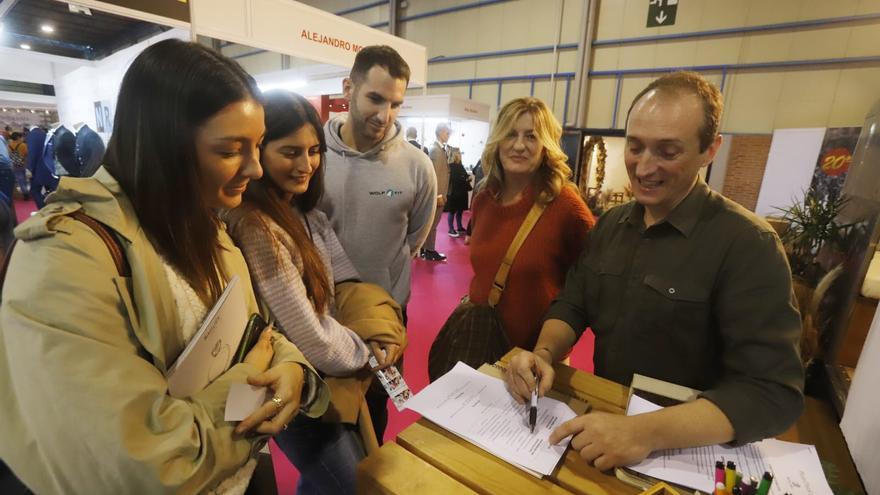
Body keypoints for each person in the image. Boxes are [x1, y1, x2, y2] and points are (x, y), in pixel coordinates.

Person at [0, 39, 329, 494]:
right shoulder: (61, 259)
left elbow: (263, 332)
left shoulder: (206, 226)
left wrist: (292, 370)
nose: (256, 169)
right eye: (231, 149)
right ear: (163, 145)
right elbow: (139, 461)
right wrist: (245, 389)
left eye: (256, 146)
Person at [504, 71, 804, 471]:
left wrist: (645, 432)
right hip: (605, 428)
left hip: (685, 450)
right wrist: (543, 354)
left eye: (667, 151)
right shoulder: (611, 225)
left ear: (709, 151)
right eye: (636, 147)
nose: (644, 168)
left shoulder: (749, 245)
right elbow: (573, 304)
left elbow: (773, 394)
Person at [225, 90, 406, 494]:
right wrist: (367, 353)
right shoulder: (257, 228)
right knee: (352, 483)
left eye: (313, 150)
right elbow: (310, 338)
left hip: (326, 375)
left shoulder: (309, 215)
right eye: (289, 152)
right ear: (259, 152)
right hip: (293, 387)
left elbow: (346, 282)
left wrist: (375, 329)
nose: (305, 164)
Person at [316, 44, 436, 441]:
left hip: (386, 316)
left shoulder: (417, 166)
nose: (385, 115)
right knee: (323, 422)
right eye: (375, 98)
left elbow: (415, 236)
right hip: (320, 317)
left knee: (375, 417)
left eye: (396, 104)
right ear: (348, 88)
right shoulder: (312, 156)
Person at [468, 97, 595, 352]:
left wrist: (553, 344)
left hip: (537, 359)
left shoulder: (566, 206)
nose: (518, 145)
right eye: (510, 134)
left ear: (546, 146)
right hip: (483, 343)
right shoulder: (484, 199)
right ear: (498, 140)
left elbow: (591, 280)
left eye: (531, 137)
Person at [423, 122, 452, 261]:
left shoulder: (440, 149)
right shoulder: (435, 150)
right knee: (432, 224)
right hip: (437, 195)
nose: (448, 135)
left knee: (433, 223)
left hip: (440, 194)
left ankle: (426, 249)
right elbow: (432, 175)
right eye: (447, 132)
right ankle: (429, 250)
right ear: (440, 132)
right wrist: (436, 195)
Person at [445, 148, 470, 237]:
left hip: (462, 191)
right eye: (459, 153)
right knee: (452, 211)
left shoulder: (460, 165)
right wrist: (464, 178)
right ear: (455, 154)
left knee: (460, 210)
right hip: (454, 192)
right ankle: (450, 229)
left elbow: (465, 175)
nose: (460, 154)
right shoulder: (450, 166)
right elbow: (454, 179)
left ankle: (459, 227)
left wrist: (466, 178)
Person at [7, 132, 29, 199]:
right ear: (18, 137)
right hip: (24, 164)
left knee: (20, 179)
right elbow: (27, 154)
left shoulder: (9, 146)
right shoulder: (23, 145)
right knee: (24, 178)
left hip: (14, 164)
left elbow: (9, 155)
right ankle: (26, 192)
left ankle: (25, 192)